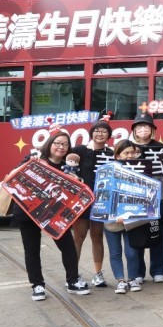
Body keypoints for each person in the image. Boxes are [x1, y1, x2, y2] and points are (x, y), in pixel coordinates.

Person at [12, 131, 89, 301]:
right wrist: (28, 165)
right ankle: (37, 285)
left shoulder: (68, 167)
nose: (61, 147)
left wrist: (77, 180)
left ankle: (72, 280)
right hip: (28, 211)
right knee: (31, 249)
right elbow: (13, 176)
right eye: (57, 143)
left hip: (55, 214)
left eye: (65, 144)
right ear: (49, 144)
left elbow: (77, 191)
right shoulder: (35, 158)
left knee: (68, 246)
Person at [72, 119, 114, 288]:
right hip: (82, 200)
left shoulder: (111, 153)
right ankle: (72, 273)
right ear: (91, 133)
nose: (100, 133)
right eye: (97, 130)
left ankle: (98, 274)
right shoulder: (80, 150)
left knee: (97, 237)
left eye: (104, 131)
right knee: (78, 237)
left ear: (109, 135)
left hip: (101, 201)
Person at [129, 113, 163, 283]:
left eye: (147, 126)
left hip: (157, 197)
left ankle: (159, 269)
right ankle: (138, 271)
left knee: (158, 232)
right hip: (134, 199)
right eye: (139, 127)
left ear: (153, 130)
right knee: (136, 232)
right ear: (134, 130)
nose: (143, 129)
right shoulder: (128, 148)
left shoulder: (160, 148)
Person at [105, 140, 148, 294]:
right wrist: (115, 213)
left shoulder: (140, 170)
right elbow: (104, 195)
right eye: (126, 153)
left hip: (132, 220)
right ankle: (120, 281)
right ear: (117, 155)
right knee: (115, 252)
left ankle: (132, 279)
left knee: (132, 251)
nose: (130, 156)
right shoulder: (108, 171)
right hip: (112, 219)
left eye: (132, 153)